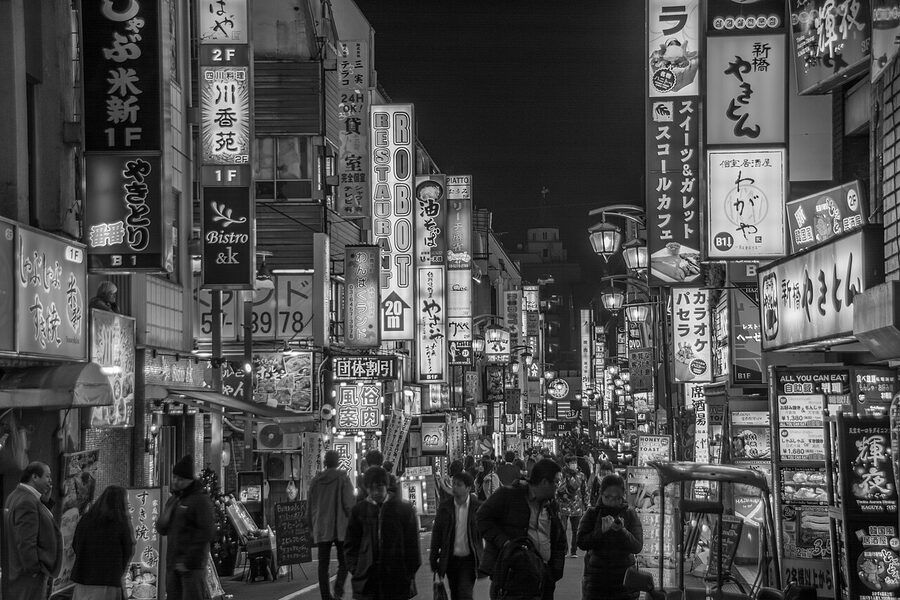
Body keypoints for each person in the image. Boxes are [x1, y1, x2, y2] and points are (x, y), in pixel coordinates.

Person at [476, 458, 566, 600]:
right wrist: (504, 542)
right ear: (544, 482)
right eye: (556, 481)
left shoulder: (551, 505)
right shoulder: (508, 496)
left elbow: (559, 538)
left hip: (542, 579)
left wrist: (554, 571)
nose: (558, 486)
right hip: (512, 578)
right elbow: (482, 518)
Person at [345, 466, 421, 599]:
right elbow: (351, 544)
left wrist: (408, 572)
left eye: (379, 487)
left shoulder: (404, 509)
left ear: (386, 486)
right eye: (371, 488)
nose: (375, 492)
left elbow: (412, 544)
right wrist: (357, 569)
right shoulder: (359, 511)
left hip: (397, 578)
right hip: (367, 579)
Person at [155, 455, 216, 600]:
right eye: (174, 477)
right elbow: (162, 528)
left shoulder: (200, 500)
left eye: (180, 479)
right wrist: (166, 516)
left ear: (190, 480)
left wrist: (189, 560)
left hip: (192, 567)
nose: (176, 481)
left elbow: (206, 532)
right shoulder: (174, 499)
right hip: (173, 564)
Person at [577, 473, 643, 600]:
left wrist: (622, 531)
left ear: (623, 495)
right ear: (601, 495)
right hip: (597, 579)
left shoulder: (630, 514)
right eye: (608, 497)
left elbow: (637, 546)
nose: (612, 502)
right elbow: (581, 542)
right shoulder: (592, 514)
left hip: (624, 580)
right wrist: (600, 532)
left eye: (617, 498)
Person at [4, 462, 62, 600]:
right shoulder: (27, 501)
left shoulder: (15, 495)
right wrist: (35, 570)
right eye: (47, 476)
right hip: (28, 577)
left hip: (17, 572)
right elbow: (26, 541)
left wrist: (45, 502)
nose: (50, 481)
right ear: (35, 477)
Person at [71, 485, 135, 600]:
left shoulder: (86, 519)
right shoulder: (120, 522)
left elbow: (76, 544)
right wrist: (118, 569)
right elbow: (128, 549)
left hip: (82, 580)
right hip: (107, 581)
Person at [308, 450, 356, 600]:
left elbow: (310, 505)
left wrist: (310, 525)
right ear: (337, 462)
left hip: (321, 526)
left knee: (323, 564)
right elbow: (349, 503)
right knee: (345, 561)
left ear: (325, 462)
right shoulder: (343, 478)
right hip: (340, 527)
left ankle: (325, 596)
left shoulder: (316, 481)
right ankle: (338, 590)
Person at [430, 472, 484, 600]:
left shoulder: (478, 508)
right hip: (450, 559)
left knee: (465, 593)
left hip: (469, 559)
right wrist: (434, 556)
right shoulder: (445, 507)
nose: (454, 487)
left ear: (468, 488)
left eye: (459, 485)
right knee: (455, 592)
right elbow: (437, 533)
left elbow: (486, 531)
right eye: (453, 484)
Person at [556, 455, 587, 558]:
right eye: (572, 463)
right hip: (564, 505)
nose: (574, 465)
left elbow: (584, 490)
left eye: (575, 463)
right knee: (563, 529)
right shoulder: (562, 475)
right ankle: (564, 550)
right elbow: (557, 489)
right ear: (567, 464)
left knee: (576, 530)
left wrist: (586, 504)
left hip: (577, 505)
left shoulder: (581, 475)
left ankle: (574, 551)